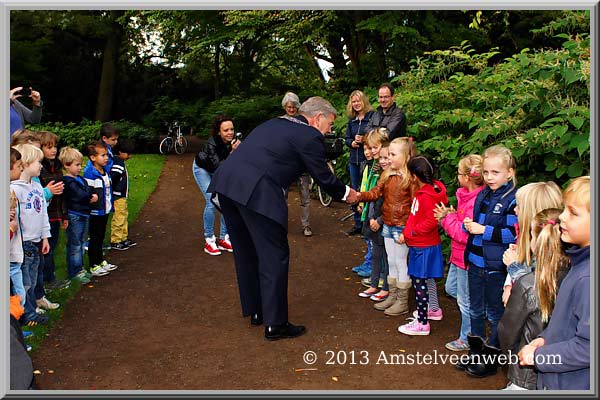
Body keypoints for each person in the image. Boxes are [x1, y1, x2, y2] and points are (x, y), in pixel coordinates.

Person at [208, 96, 356, 340]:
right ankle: (275, 324)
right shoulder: (309, 135)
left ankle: (257, 311)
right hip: (256, 191)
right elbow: (323, 177)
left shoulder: (274, 123)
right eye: (329, 124)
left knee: (246, 251)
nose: (329, 131)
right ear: (317, 118)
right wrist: (349, 195)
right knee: (274, 255)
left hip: (227, 185)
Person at [518, 176, 590, 390]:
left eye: (573, 213)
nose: (563, 218)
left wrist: (540, 356)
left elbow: (589, 348)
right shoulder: (579, 264)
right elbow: (566, 323)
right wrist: (544, 339)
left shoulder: (587, 279)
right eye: (564, 210)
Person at [459, 145, 518, 378]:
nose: (490, 177)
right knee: (475, 309)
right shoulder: (483, 194)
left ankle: (491, 358)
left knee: (494, 313)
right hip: (475, 261)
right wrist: (470, 225)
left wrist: (483, 229)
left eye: (495, 172)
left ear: (510, 173)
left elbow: (513, 233)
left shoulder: (513, 199)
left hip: (496, 267)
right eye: (486, 172)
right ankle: (476, 353)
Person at [499, 208, 568, 390]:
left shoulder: (528, 284)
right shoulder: (576, 273)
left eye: (530, 234)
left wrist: (512, 357)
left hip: (527, 369)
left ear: (538, 241)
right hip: (563, 367)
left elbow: (508, 331)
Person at [357, 137, 416, 316]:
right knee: (390, 260)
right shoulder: (387, 174)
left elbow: (415, 205)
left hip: (401, 226)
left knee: (400, 262)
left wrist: (408, 229)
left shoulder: (411, 179)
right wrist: (359, 195)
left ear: (406, 156)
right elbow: (376, 192)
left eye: (392, 154)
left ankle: (402, 301)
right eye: (388, 154)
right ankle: (393, 295)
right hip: (388, 225)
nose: (388, 157)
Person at [434, 154, 484, 351]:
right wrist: (451, 214)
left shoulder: (475, 202)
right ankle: (479, 312)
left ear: (467, 177)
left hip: (466, 257)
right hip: (457, 256)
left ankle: (467, 338)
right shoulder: (465, 196)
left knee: (465, 301)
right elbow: (460, 221)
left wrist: (445, 219)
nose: (456, 177)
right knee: (451, 289)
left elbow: (464, 234)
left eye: (458, 173)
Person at [397, 156, 448, 336]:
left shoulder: (426, 195)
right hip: (427, 243)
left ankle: (422, 323)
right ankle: (433, 309)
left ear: (414, 176)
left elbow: (431, 221)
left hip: (423, 245)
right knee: (428, 279)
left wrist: (411, 232)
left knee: (419, 282)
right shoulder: (434, 189)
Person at [500, 182, 563, 306]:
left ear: (530, 211)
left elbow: (537, 296)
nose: (515, 210)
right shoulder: (530, 237)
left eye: (518, 206)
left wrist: (514, 266)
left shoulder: (552, 250)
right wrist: (508, 284)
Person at [10, 144, 51, 327]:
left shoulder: (35, 186)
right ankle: (27, 314)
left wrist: (45, 236)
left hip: (35, 241)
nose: (41, 166)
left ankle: (30, 309)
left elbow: (42, 213)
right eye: (38, 162)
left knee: (32, 279)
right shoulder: (14, 189)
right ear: (25, 164)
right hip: (23, 243)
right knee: (24, 282)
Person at [193, 114, 240, 255]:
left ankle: (223, 237)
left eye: (231, 129)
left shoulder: (234, 141)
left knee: (226, 200)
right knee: (212, 201)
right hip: (203, 169)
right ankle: (209, 240)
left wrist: (240, 150)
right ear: (219, 132)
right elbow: (219, 167)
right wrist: (232, 152)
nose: (230, 132)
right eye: (226, 130)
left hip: (218, 169)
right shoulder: (211, 144)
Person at [356, 130, 390, 301]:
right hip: (373, 215)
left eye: (375, 147)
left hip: (384, 219)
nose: (372, 151)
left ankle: (386, 286)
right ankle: (375, 284)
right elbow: (372, 193)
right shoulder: (374, 167)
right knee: (376, 252)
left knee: (385, 255)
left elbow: (389, 201)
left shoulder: (387, 171)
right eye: (369, 147)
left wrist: (378, 219)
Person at [38, 131, 70, 293]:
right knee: (46, 250)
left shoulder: (57, 166)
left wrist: (64, 215)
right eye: (49, 147)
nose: (53, 150)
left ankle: (49, 277)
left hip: (56, 214)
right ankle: (47, 280)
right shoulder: (39, 168)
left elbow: (62, 193)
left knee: (52, 247)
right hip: (45, 216)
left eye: (55, 146)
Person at [60, 147, 97, 284]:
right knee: (75, 244)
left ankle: (79, 268)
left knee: (81, 241)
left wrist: (90, 195)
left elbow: (87, 188)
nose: (79, 168)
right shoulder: (68, 181)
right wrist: (90, 197)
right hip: (75, 214)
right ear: (66, 165)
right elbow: (78, 195)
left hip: (83, 213)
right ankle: (74, 270)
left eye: (80, 164)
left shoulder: (80, 179)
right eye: (76, 165)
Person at [83, 141, 118, 277]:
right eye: (102, 155)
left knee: (100, 236)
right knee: (95, 238)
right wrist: (90, 198)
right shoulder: (90, 174)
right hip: (95, 211)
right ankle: (93, 264)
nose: (106, 158)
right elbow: (87, 191)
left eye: (106, 155)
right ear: (92, 157)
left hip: (105, 209)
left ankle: (100, 260)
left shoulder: (104, 172)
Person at [281, 92, 314, 237]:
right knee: (282, 196)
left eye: (294, 106)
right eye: (289, 106)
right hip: (286, 165)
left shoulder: (303, 121)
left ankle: (306, 225)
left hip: (302, 166)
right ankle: (280, 223)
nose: (291, 109)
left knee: (305, 198)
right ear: (285, 107)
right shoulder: (280, 122)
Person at [344, 90, 374, 236]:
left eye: (358, 101)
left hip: (366, 161)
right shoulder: (352, 121)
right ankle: (357, 223)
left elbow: (375, 136)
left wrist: (364, 140)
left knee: (367, 190)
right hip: (353, 161)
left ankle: (367, 223)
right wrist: (352, 143)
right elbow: (347, 138)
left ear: (364, 101)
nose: (356, 104)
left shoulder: (371, 118)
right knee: (354, 191)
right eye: (353, 101)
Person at [110, 139, 137, 250]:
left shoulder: (120, 162)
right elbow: (113, 177)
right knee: (119, 217)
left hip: (122, 195)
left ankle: (123, 237)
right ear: (120, 152)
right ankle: (116, 240)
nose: (129, 156)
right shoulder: (118, 163)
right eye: (128, 153)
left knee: (123, 216)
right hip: (118, 196)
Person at [10, 148, 26, 306]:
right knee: (17, 294)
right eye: (19, 165)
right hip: (10, 254)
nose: (22, 168)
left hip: (15, 250)